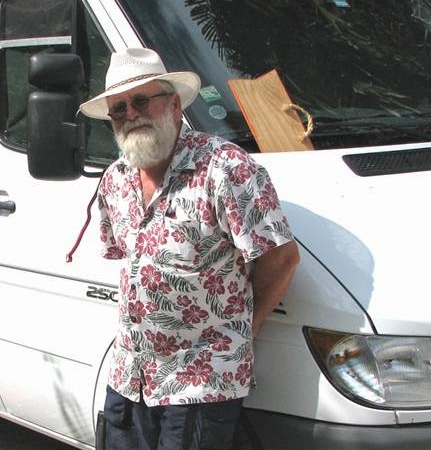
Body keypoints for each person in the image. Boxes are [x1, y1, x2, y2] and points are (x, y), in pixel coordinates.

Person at [78, 48, 301, 450]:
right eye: (119, 108)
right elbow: (131, 264)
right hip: (131, 375)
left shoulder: (226, 168)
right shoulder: (114, 180)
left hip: (201, 379)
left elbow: (282, 259)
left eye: (141, 100)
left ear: (174, 104)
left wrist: (246, 330)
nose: (131, 114)